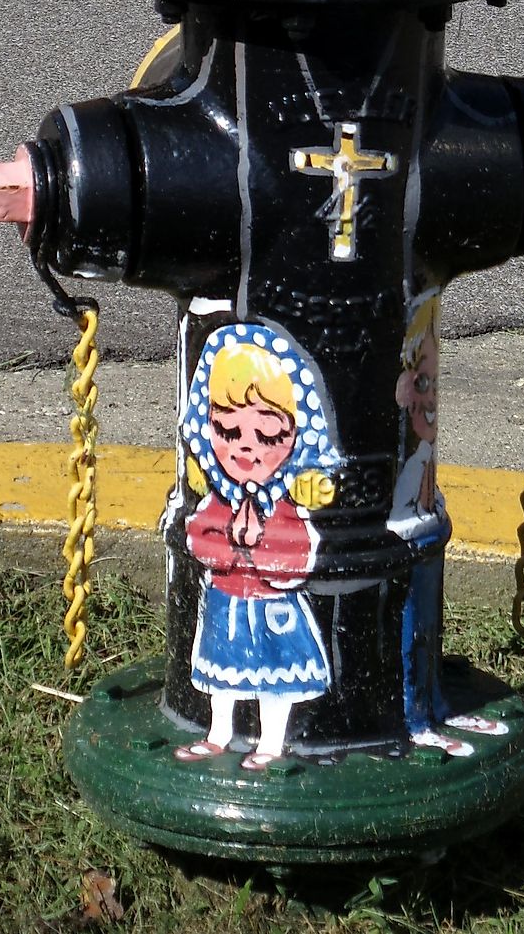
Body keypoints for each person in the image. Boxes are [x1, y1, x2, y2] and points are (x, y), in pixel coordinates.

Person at [174, 323, 338, 770]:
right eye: (227, 431)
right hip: (227, 602)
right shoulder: (220, 501)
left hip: (274, 609)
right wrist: (232, 543)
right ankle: (220, 733)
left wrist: (257, 546)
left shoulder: (284, 508)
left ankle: (270, 741)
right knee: (222, 675)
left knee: (276, 678)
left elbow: (299, 553)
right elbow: (198, 538)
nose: (246, 447)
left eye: (267, 436)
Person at [391, 294, 507, 752]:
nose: (427, 398)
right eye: (419, 384)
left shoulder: (415, 460)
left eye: (430, 383)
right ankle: (415, 711)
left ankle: (419, 705)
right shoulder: (408, 471)